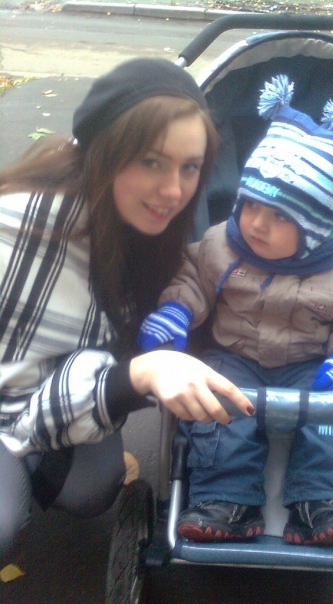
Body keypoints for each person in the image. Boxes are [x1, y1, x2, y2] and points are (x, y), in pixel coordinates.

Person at [0, 57, 253, 561]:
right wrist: (137, 374)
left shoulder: (148, 234)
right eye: (152, 162)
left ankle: (23, 468)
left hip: (47, 393)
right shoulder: (19, 230)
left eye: (190, 167)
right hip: (15, 397)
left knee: (92, 487)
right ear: (106, 150)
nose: (174, 190)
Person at [138, 75, 333, 549]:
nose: (257, 223)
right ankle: (226, 501)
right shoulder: (221, 244)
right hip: (234, 357)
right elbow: (192, 277)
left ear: (316, 226)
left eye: (280, 216)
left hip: (312, 365)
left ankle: (321, 502)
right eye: (252, 204)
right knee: (217, 410)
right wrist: (176, 312)